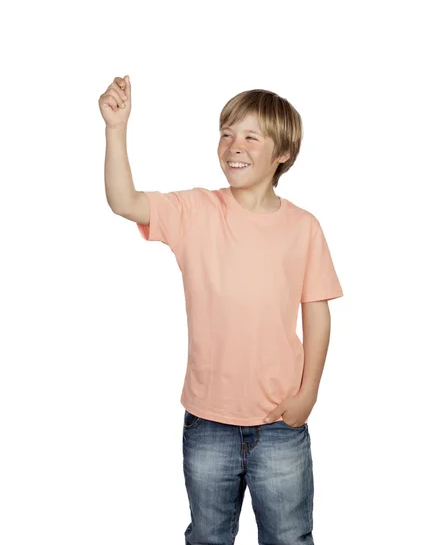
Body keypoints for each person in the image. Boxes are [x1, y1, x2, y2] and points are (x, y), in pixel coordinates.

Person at [99, 75, 344, 545]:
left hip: (279, 422)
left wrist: (308, 392)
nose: (234, 145)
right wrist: (116, 130)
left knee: (290, 537)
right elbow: (124, 202)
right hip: (208, 421)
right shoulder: (196, 211)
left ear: (283, 153)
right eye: (227, 133)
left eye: (251, 136)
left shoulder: (304, 227)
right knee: (209, 536)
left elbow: (317, 312)